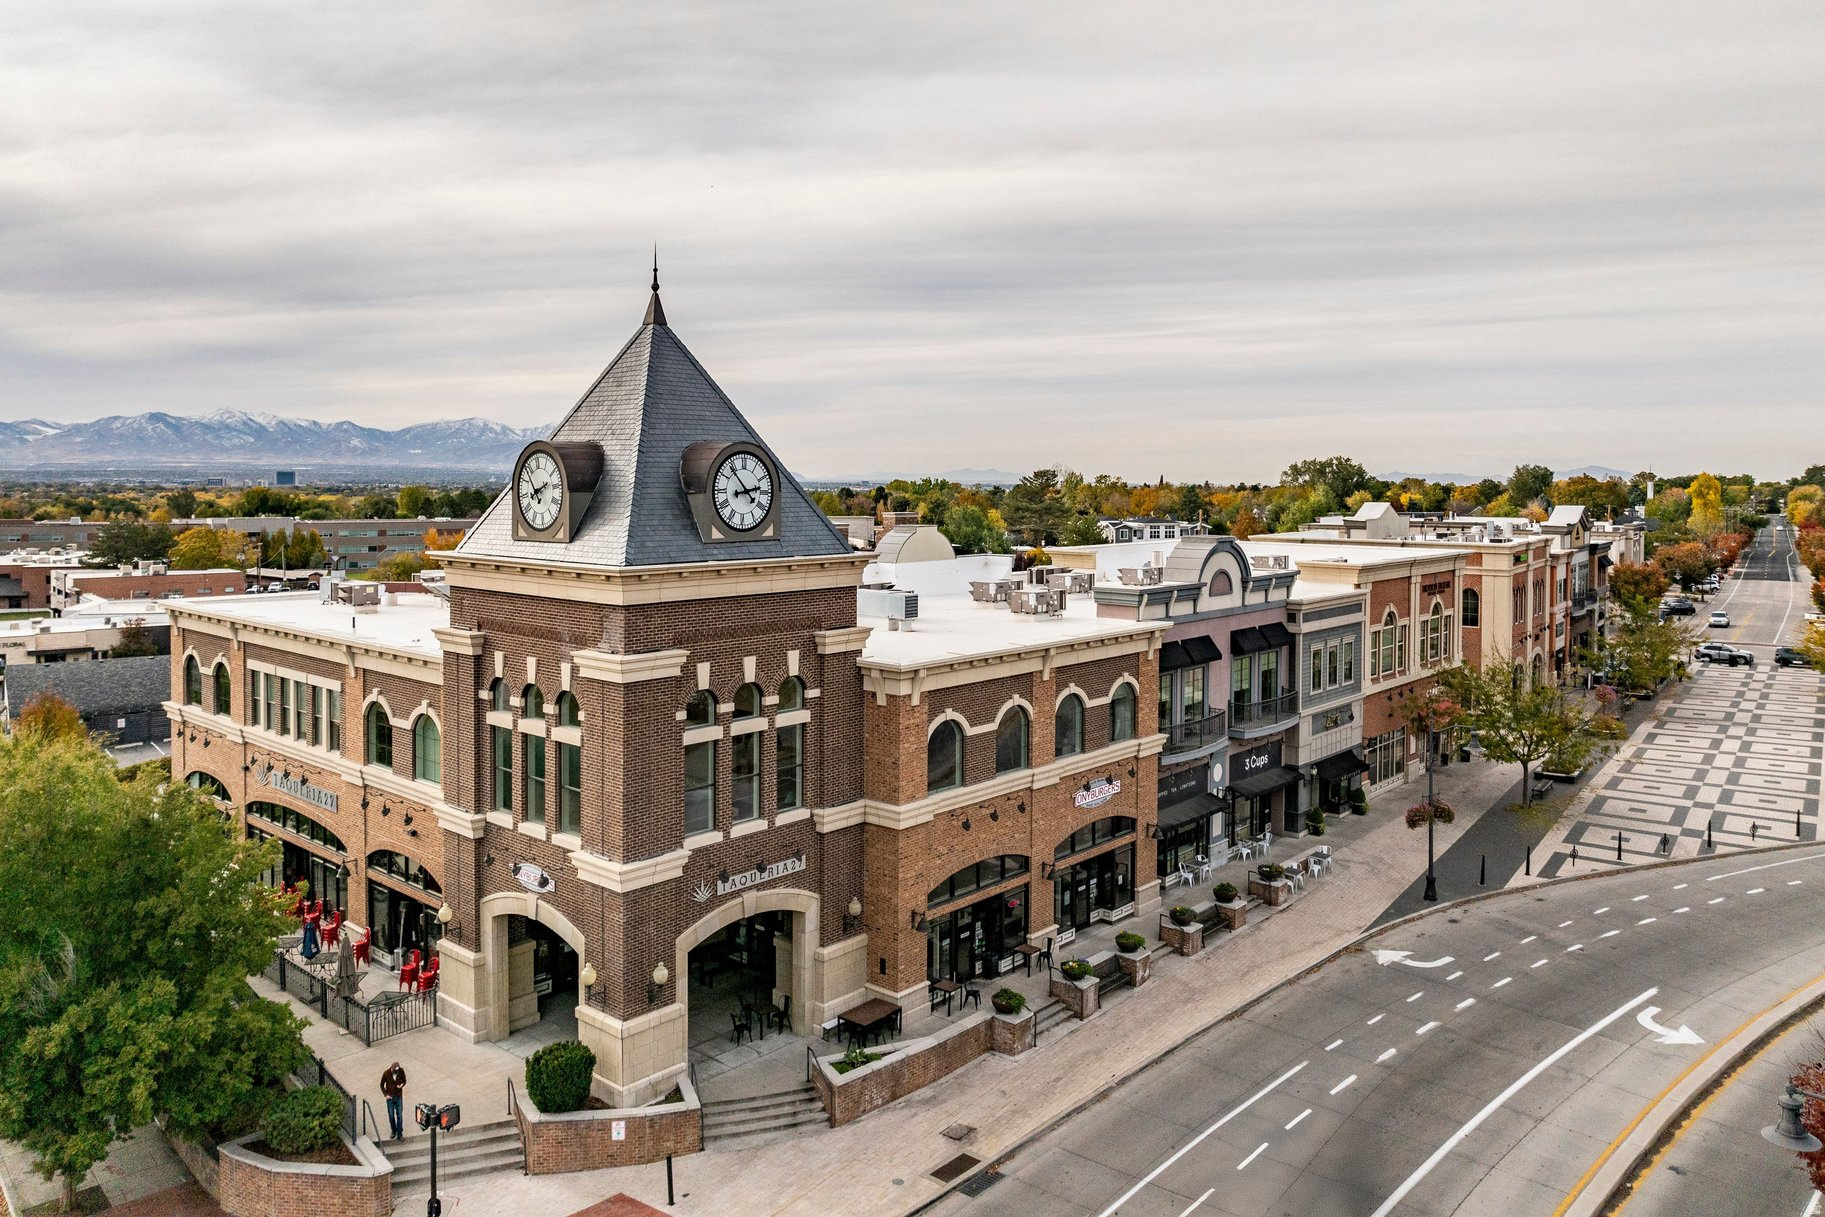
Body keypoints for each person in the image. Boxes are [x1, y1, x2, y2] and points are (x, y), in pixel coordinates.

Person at [380, 1061, 407, 1140]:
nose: (396, 1073)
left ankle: (400, 1133)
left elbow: (404, 1080)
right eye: (395, 1072)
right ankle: (393, 1130)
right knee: (391, 1116)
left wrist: (402, 1085)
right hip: (390, 1098)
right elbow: (381, 1085)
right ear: (391, 1069)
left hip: (398, 1096)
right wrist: (386, 1095)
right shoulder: (386, 1073)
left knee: (399, 1115)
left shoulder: (401, 1071)